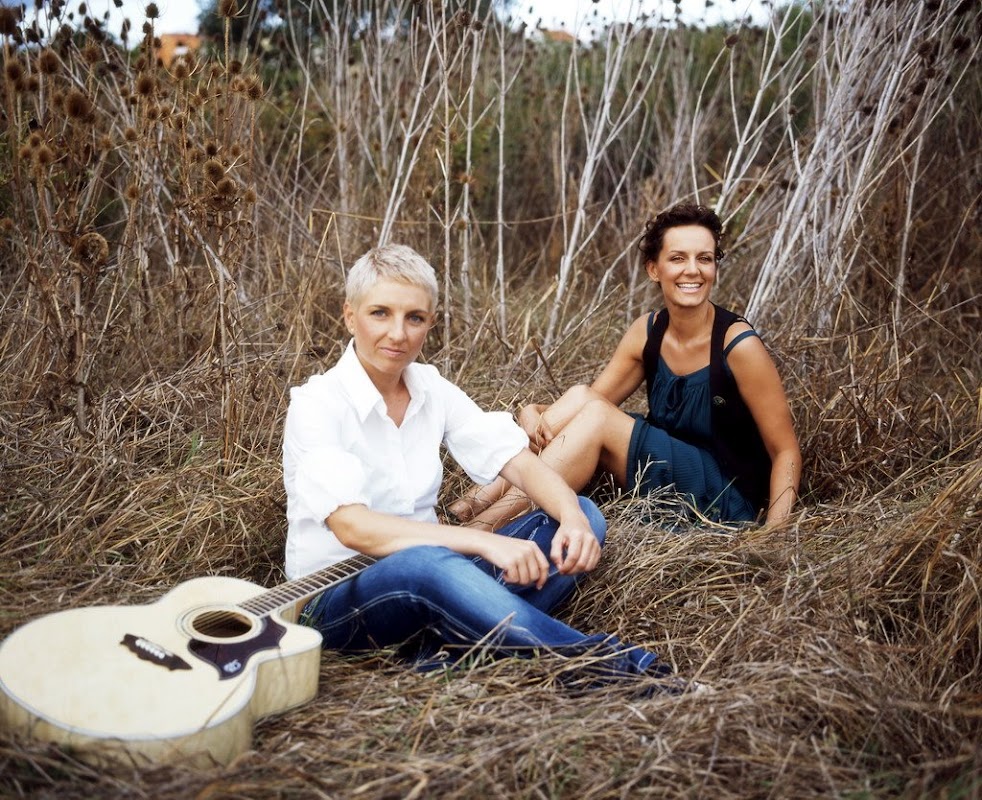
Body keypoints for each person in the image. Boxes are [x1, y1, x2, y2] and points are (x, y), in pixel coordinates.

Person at [282, 244, 696, 693]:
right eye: (380, 313)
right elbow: (353, 528)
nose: (398, 334)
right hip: (334, 603)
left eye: (414, 318)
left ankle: (443, 651)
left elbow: (518, 463)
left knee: (582, 515)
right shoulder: (317, 403)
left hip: (436, 571)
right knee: (424, 563)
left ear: (430, 323)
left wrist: (571, 516)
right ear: (350, 316)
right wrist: (483, 541)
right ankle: (601, 666)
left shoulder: (431, 388)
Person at [450, 202, 801, 531]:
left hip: (725, 495)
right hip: (668, 465)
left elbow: (785, 450)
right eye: (678, 258)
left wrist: (773, 535)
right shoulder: (647, 332)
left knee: (599, 417)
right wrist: (531, 411)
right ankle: (467, 506)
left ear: (714, 268)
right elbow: (585, 404)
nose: (693, 270)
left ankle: (481, 529)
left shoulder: (738, 345)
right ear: (654, 269)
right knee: (583, 397)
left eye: (704, 259)